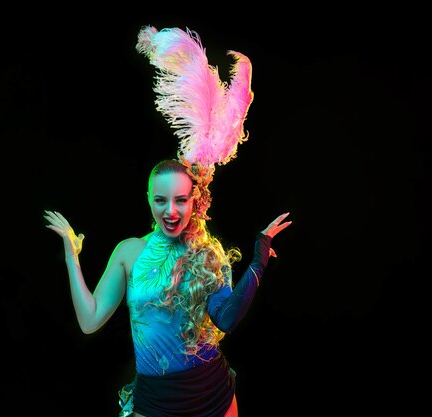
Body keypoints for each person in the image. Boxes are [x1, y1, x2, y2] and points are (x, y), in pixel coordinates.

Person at [44, 26, 293, 417]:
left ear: (194, 201)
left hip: (212, 394)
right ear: (149, 200)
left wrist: (260, 257)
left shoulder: (208, 254)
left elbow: (225, 318)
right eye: (161, 200)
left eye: (180, 200)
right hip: (156, 401)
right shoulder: (129, 252)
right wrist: (72, 256)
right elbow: (90, 321)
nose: (171, 211)